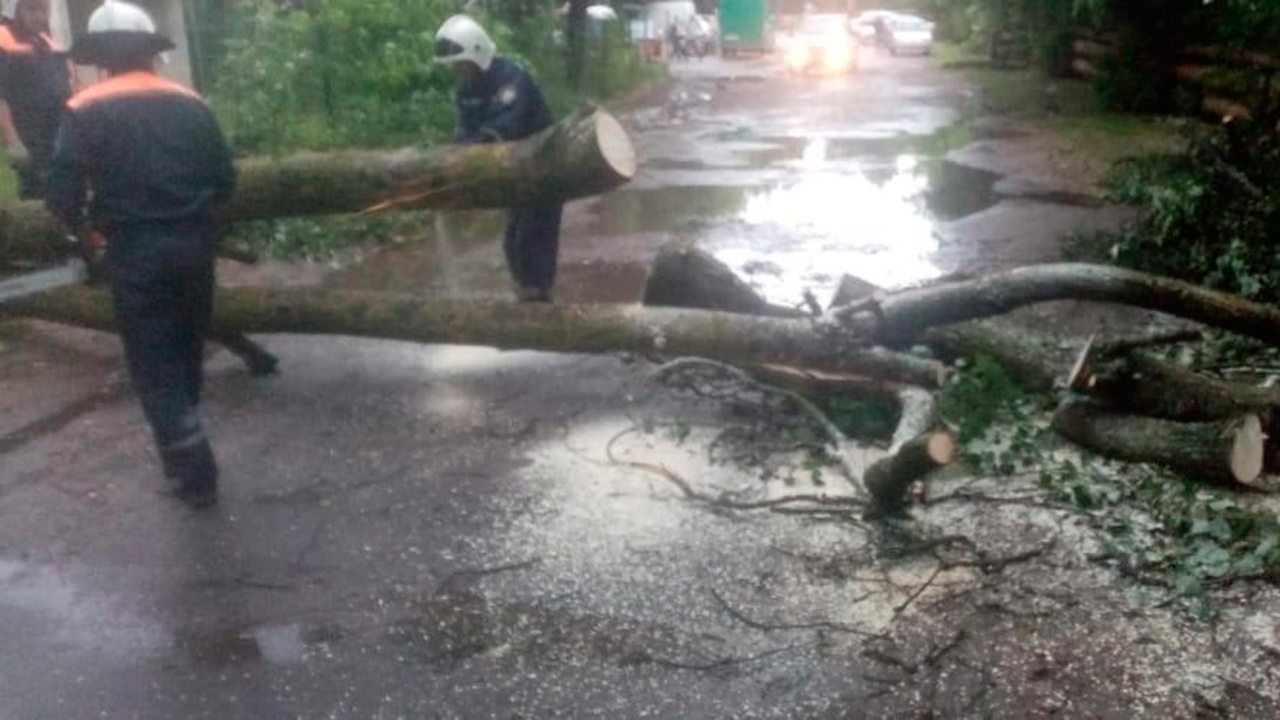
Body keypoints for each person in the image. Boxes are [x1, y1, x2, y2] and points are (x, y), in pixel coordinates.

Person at [45, 0, 235, 508]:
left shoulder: (84, 107)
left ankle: (195, 470)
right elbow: (224, 179)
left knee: (154, 364)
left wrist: (81, 232)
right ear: (150, 50)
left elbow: (61, 190)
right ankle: (186, 449)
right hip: (195, 246)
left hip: (135, 252)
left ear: (101, 56)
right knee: (186, 349)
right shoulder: (190, 100)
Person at [434, 14, 561, 303]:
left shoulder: (512, 79)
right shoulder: (467, 90)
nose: (457, 70)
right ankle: (527, 298)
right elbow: (467, 131)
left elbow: (502, 130)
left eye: (460, 63)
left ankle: (539, 300)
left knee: (530, 240)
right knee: (512, 243)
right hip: (515, 175)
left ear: (477, 53)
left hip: (545, 170)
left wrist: (471, 149)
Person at [0, 0, 72, 198]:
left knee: (62, 193)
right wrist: (12, 140)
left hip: (58, 134)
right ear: (15, 10)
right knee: (36, 198)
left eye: (43, 11)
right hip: (30, 138)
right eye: (32, 9)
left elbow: (65, 88)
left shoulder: (47, 42)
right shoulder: (4, 41)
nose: (39, 16)